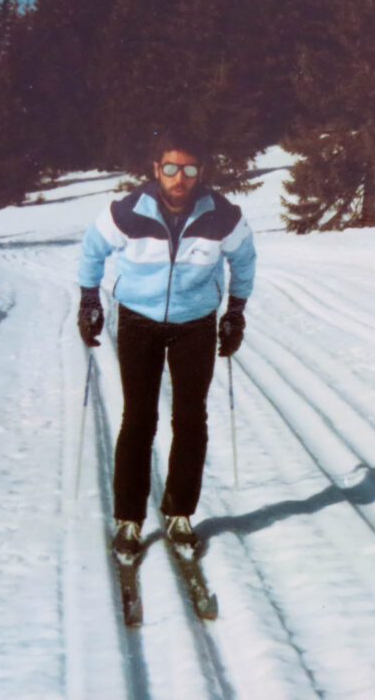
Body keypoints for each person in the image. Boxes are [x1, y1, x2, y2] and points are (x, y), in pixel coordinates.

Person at [76, 130, 257, 560]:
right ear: (157, 169)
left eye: (189, 169)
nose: (180, 178)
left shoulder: (223, 216)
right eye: (171, 168)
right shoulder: (128, 211)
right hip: (138, 320)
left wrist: (235, 311)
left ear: (201, 173)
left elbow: (244, 260)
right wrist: (88, 300)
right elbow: (92, 248)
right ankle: (129, 521)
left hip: (194, 323)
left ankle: (180, 514)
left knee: (190, 418)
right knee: (138, 418)